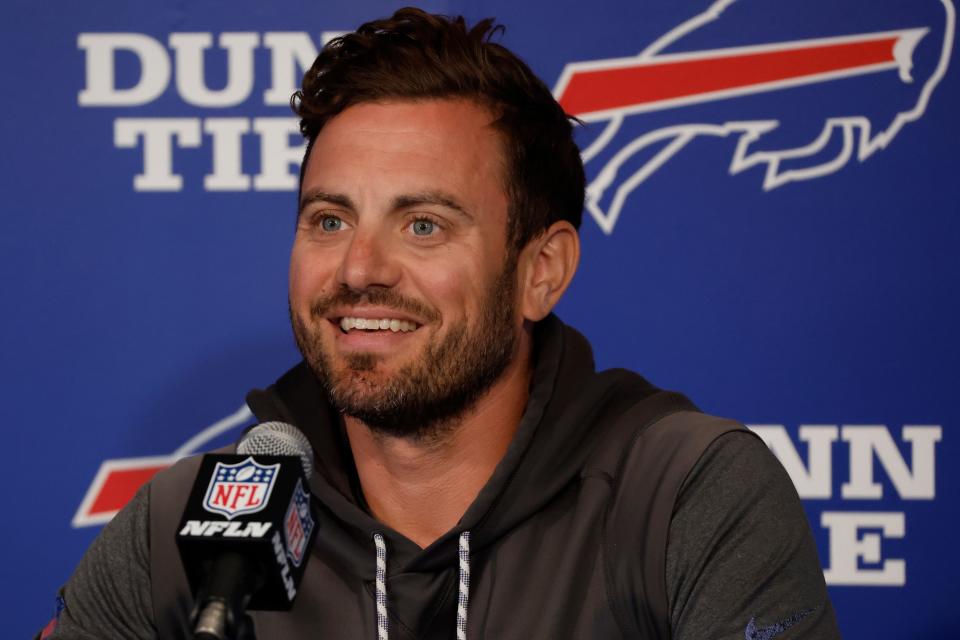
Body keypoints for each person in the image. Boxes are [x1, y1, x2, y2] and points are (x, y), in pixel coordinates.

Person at [45, 7, 839, 639]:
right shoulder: (193, 526)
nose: (359, 268)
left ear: (541, 272)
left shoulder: (681, 495)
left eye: (423, 224)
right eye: (328, 220)